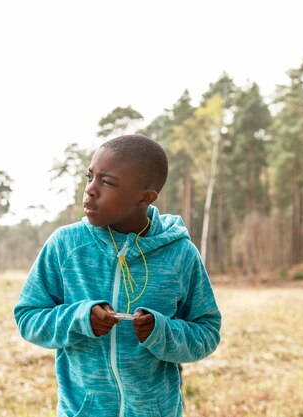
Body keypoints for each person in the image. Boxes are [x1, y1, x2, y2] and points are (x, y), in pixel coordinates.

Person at [13, 134, 222, 417]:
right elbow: (28, 317)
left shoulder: (180, 254)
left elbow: (206, 332)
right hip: (81, 411)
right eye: (90, 177)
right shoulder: (66, 245)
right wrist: (80, 319)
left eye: (107, 182)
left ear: (144, 197)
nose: (90, 190)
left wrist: (161, 332)